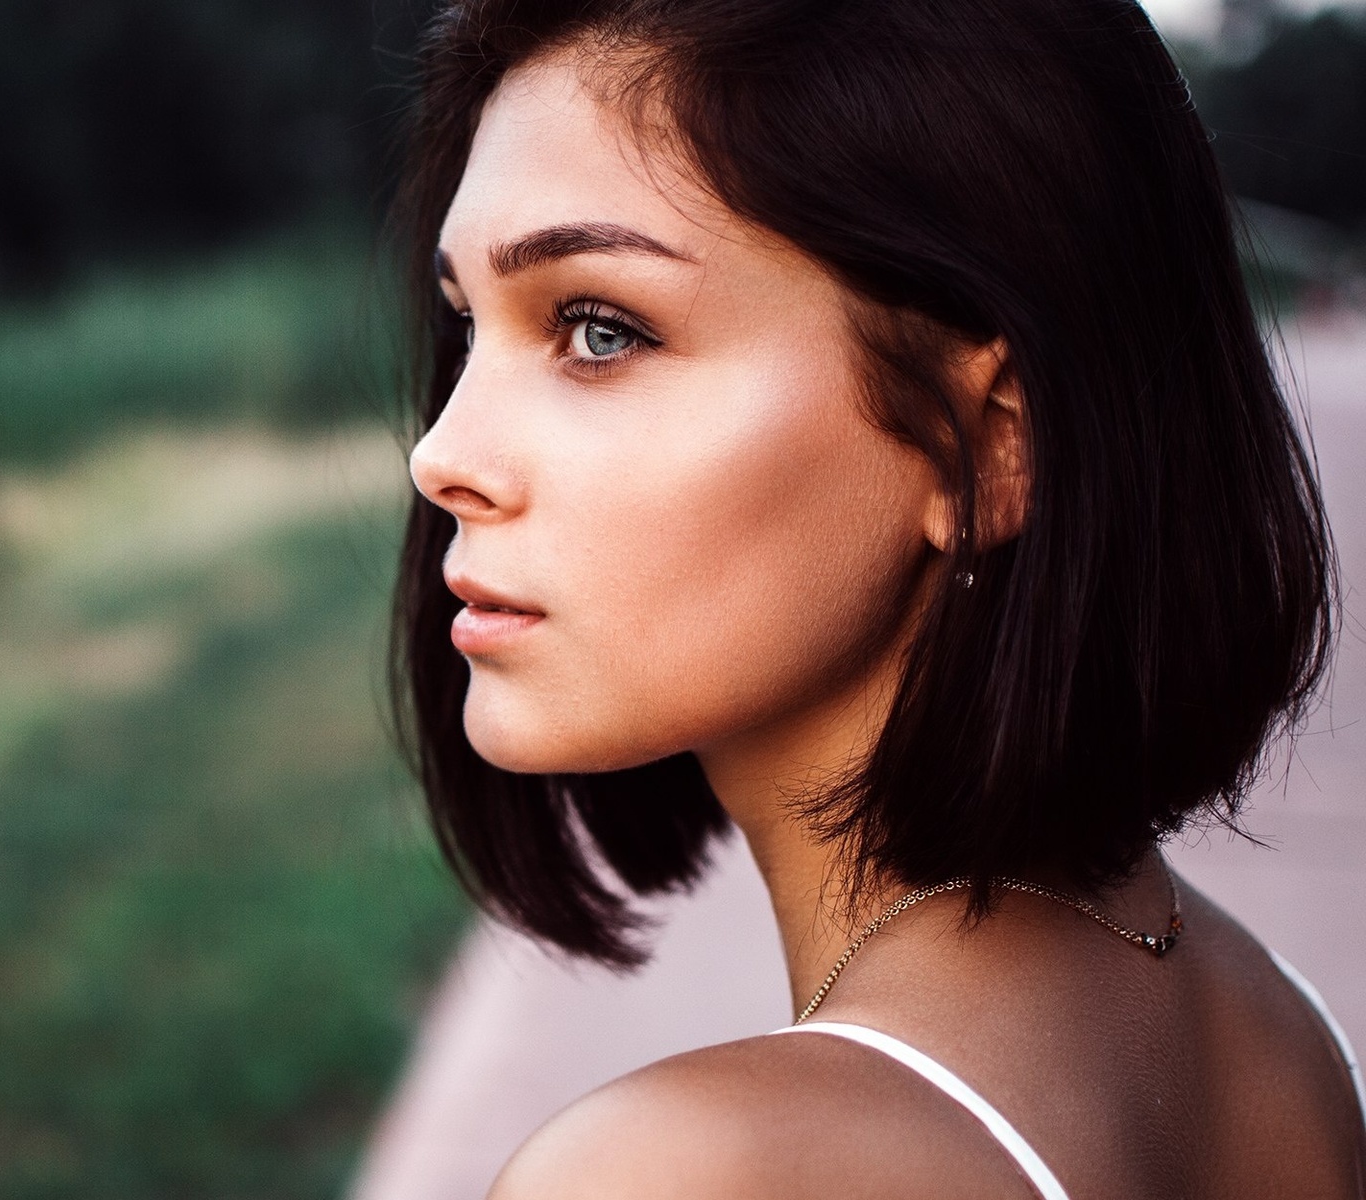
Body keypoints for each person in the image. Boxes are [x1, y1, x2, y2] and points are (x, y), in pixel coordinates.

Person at [387, 0, 1364, 1195]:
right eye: (466, 325)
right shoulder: (1275, 1028)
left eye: (599, 330)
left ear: (988, 445)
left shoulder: (679, 1172)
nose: (442, 452)